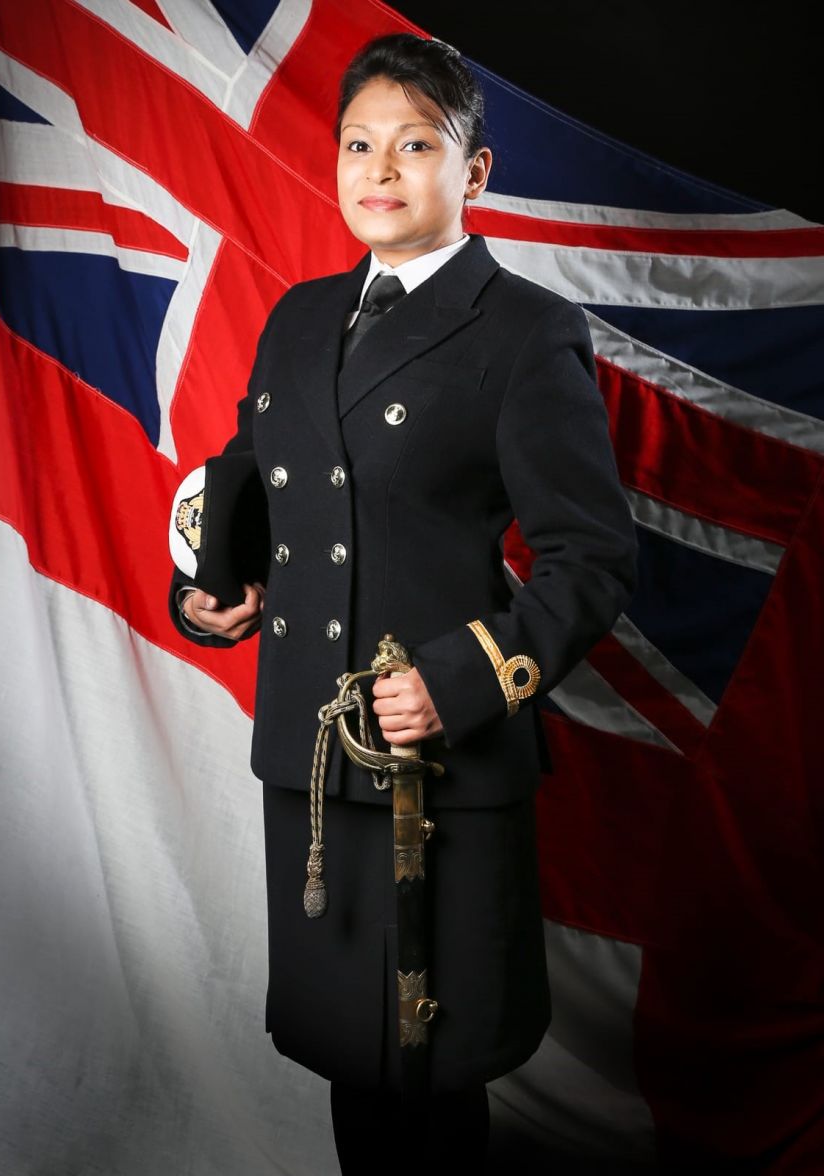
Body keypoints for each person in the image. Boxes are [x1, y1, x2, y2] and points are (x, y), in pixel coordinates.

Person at [169, 32, 636, 1174]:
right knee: (353, 1062)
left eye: (416, 145)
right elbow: (258, 489)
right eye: (359, 144)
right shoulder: (299, 317)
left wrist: (463, 680)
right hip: (315, 765)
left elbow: (592, 557)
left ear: (472, 174)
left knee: (430, 1075)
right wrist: (206, 598)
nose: (381, 170)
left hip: (442, 769)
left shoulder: (526, 332)